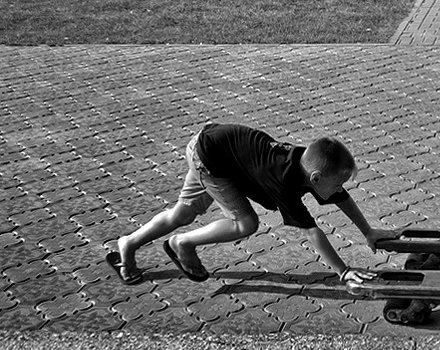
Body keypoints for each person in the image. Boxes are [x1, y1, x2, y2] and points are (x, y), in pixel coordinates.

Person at [106, 123, 388, 289]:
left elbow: (342, 198)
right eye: (338, 184)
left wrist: (368, 231)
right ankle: (182, 244)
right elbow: (311, 232)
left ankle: (128, 244)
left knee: (183, 212)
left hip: (215, 149)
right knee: (245, 223)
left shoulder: (307, 164)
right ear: (315, 178)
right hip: (210, 158)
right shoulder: (284, 182)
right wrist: (342, 271)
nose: (340, 190)